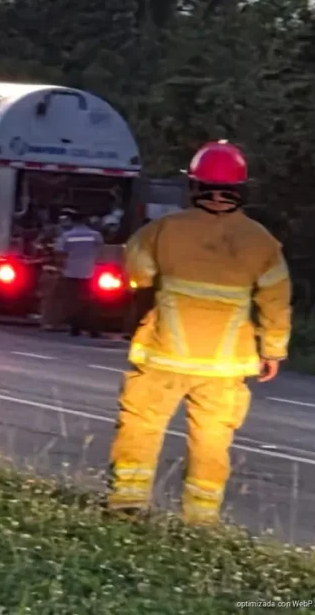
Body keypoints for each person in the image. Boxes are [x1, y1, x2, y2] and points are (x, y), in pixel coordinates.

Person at [106, 140, 292, 526]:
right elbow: (276, 300)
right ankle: (201, 520)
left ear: (193, 186)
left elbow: (138, 274)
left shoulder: (162, 231)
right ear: (242, 189)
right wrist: (273, 351)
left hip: (164, 355)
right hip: (224, 365)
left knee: (142, 425)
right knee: (212, 440)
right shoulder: (262, 242)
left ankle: (128, 502)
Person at [54, 210, 104, 336]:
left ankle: (75, 328)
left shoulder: (67, 236)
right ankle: (93, 329)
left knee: (72, 301)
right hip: (90, 273)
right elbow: (100, 251)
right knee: (90, 301)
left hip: (71, 272)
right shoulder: (95, 235)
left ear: (72, 221)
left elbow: (59, 252)